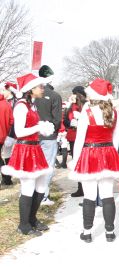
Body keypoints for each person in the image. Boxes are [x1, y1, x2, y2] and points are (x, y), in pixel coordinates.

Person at [68, 78, 119, 243]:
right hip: (108, 153)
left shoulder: (87, 112)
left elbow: (79, 140)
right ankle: (110, 232)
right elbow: (116, 140)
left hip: (89, 153)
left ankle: (87, 231)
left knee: (89, 195)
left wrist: (75, 161)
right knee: (107, 194)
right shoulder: (115, 113)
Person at [1, 73, 55, 236]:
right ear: (31, 89)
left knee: (40, 186)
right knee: (28, 187)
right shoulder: (21, 106)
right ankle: (23, 224)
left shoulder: (32, 105)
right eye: (40, 86)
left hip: (34, 148)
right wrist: (39, 127)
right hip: (25, 150)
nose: (43, 88)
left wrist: (41, 126)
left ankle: (32, 219)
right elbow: (19, 131)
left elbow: (30, 126)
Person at [34, 65, 62, 206]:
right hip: (49, 136)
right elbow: (57, 119)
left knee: (35, 166)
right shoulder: (55, 96)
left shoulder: (32, 94)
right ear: (50, 78)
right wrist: (53, 131)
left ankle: (34, 193)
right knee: (48, 166)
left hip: (33, 136)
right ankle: (43, 196)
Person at [66, 86, 87, 198]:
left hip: (82, 137)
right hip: (73, 136)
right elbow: (66, 119)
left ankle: (85, 187)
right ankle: (80, 187)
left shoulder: (84, 105)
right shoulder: (72, 105)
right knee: (76, 162)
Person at [1, 82, 19, 186]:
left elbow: (14, 121)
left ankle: (8, 177)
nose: (2, 92)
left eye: (4, 90)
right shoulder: (5, 101)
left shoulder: (16, 102)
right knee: (6, 155)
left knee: (9, 155)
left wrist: (10, 135)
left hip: (12, 134)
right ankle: (7, 177)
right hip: (5, 132)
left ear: (9, 91)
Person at [0, 92, 13, 186]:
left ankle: (6, 178)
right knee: (5, 156)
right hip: (4, 134)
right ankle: (7, 178)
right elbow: (11, 120)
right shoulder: (6, 104)